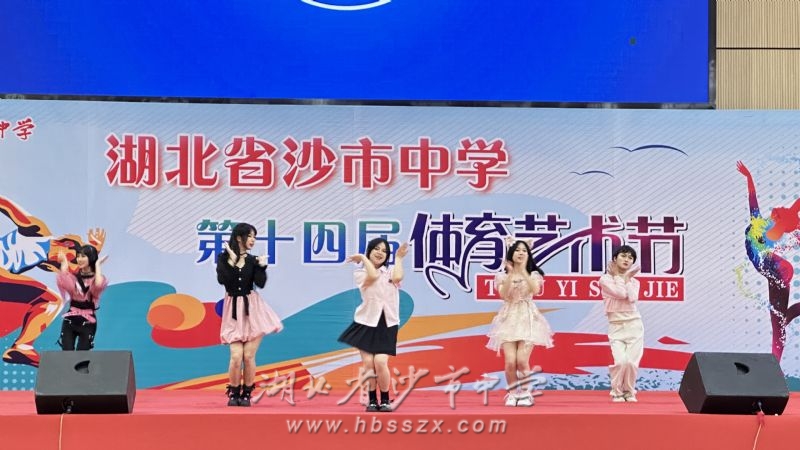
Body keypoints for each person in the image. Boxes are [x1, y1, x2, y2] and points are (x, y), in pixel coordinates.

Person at [0, 194, 106, 366]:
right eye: (72, 259)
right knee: (51, 300)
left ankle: (22, 347)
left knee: (48, 301)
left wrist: (95, 251)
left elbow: (82, 274)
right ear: (67, 245)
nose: (66, 265)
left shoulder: (44, 261)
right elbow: (5, 204)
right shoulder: (36, 230)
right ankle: (22, 347)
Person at [737, 161, 800, 361]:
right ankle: (775, 365)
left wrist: (749, 178)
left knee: (778, 325)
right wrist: (749, 178)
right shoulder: (766, 225)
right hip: (776, 271)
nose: (780, 206)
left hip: (779, 273)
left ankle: (774, 366)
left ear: (779, 219)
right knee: (779, 322)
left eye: (781, 210)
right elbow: (754, 199)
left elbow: (754, 200)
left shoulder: (765, 228)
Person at [216, 222, 283, 407]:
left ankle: (246, 393)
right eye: (250, 236)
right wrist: (233, 261)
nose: (253, 240)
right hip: (233, 311)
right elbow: (224, 281)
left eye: (255, 237)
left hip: (253, 310)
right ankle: (233, 392)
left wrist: (262, 267)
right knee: (236, 356)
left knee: (248, 356)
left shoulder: (253, 260)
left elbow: (260, 283)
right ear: (239, 238)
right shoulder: (223, 258)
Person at [338, 237, 408, 413]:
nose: (380, 253)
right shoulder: (360, 273)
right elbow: (373, 276)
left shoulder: (390, 271)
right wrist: (363, 258)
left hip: (388, 322)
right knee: (369, 364)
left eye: (384, 251)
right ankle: (372, 400)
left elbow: (398, 276)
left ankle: (384, 399)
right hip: (366, 322)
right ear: (370, 251)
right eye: (376, 249)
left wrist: (399, 258)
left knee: (380, 362)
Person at [487, 238, 554, 407]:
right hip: (509, 318)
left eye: (524, 250)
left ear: (528, 254)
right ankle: (511, 393)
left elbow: (535, 290)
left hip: (527, 318)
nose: (521, 253)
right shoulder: (502, 276)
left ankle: (525, 393)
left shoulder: (533, 275)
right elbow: (503, 295)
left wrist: (523, 271)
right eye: (517, 250)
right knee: (510, 361)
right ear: (511, 253)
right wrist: (511, 274)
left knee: (522, 360)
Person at [599, 245, 643, 402]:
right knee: (620, 362)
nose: (627, 260)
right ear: (614, 259)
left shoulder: (634, 281)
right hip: (616, 325)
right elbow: (620, 293)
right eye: (623, 256)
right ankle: (617, 392)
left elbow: (632, 297)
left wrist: (626, 279)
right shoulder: (605, 279)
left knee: (631, 363)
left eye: (630, 258)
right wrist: (619, 276)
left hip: (634, 324)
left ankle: (629, 392)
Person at [56, 245, 108, 351]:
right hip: (70, 321)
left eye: (83, 256)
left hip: (88, 322)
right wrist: (64, 262)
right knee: (66, 355)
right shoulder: (74, 278)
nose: (79, 259)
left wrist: (97, 265)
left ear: (91, 258)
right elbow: (63, 279)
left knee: (82, 356)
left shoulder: (97, 278)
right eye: (78, 256)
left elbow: (98, 285)